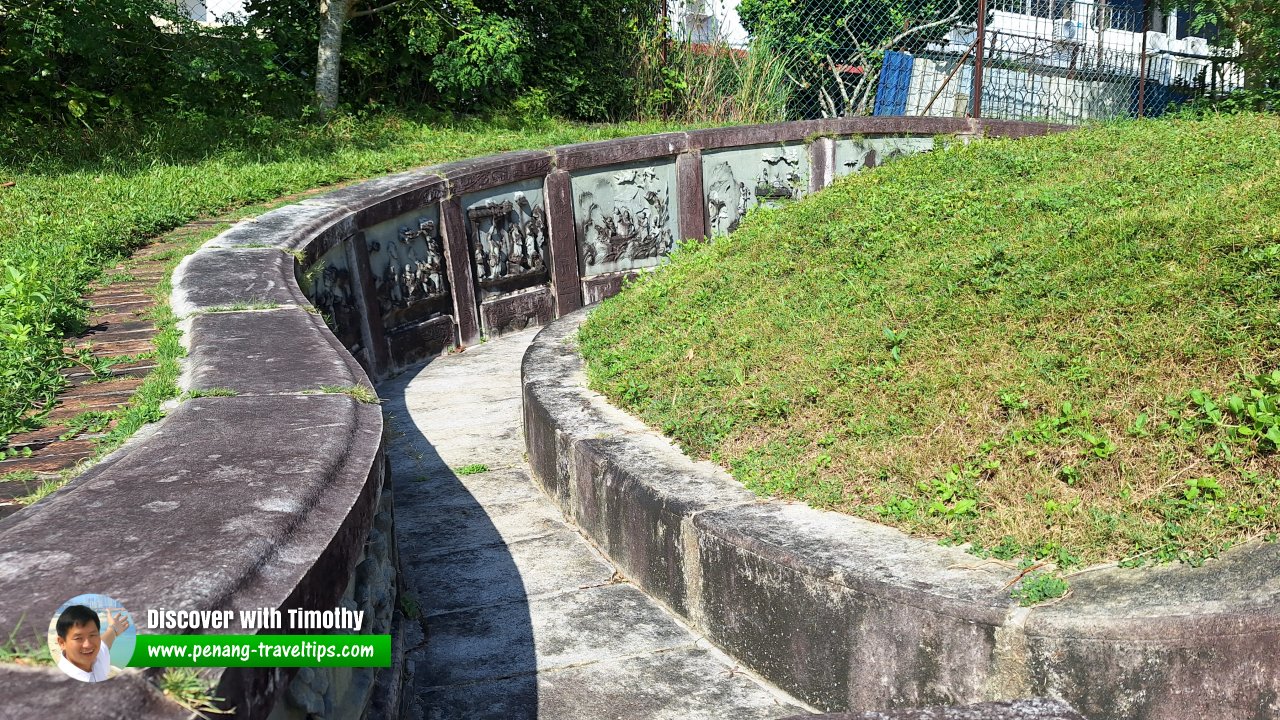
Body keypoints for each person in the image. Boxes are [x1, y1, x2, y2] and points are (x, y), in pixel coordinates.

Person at [54, 605, 129, 682]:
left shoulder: (97, 657)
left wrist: (113, 628)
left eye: (92, 635)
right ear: (62, 643)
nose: (88, 645)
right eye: (78, 638)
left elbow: (105, 641)